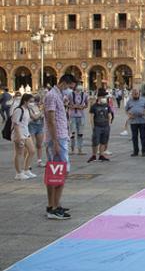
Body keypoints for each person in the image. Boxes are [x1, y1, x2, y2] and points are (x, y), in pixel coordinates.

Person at [44, 73, 78, 220]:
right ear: (64, 83)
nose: (70, 90)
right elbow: (51, 121)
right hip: (57, 140)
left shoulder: (57, 95)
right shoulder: (52, 95)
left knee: (54, 173)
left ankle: (52, 205)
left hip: (60, 138)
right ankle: (55, 208)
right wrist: (56, 142)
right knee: (62, 173)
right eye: (70, 87)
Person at [12, 93, 37, 180]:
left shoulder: (27, 109)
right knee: (19, 153)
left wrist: (42, 110)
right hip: (19, 134)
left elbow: (34, 118)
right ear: (25, 101)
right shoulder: (19, 110)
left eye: (33, 102)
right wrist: (19, 137)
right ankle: (18, 173)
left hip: (26, 133)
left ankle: (26, 169)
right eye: (30, 101)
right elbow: (16, 124)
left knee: (32, 151)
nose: (32, 103)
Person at [87, 89, 114, 163]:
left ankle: (101, 155)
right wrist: (93, 126)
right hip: (97, 126)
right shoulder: (94, 106)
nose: (105, 98)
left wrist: (109, 125)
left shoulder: (107, 105)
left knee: (103, 141)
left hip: (105, 126)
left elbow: (109, 115)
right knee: (95, 141)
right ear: (99, 97)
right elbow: (91, 117)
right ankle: (94, 155)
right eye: (104, 96)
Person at [125, 88, 145, 157]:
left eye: (137, 93)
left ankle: (144, 151)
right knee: (134, 137)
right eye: (134, 93)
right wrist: (129, 115)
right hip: (133, 122)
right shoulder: (129, 101)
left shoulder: (143, 100)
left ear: (139, 93)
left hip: (142, 121)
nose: (135, 95)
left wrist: (144, 112)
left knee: (143, 136)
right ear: (132, 94)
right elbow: (126, 110)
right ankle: (135, 151)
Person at [68, 84, 88, 155]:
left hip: (81, 116)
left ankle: (80, 149)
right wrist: (72, 106)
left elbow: (86, 105)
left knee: (80, 133)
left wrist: (82, 107)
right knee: (72, 133)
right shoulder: (70, 94)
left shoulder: (84, 95)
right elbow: (65, 103)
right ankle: (72, 149)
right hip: (72, 116)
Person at [27, 94, 46, 168]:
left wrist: (41, 113)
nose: (37, 102)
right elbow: (34, 117)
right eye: (35, 101)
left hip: (40, 126)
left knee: (39, 145)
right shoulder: (29, 107)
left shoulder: (40, 107)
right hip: (31, 126)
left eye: (38, 101)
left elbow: (42, 116)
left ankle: (39, 161)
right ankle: (28, 164)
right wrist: (41, 112)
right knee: (30, 146)